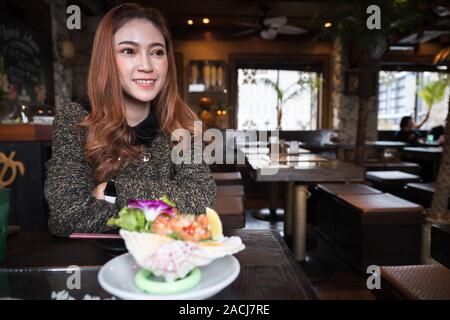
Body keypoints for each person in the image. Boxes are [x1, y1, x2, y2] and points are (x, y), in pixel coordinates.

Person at [44, 4, 216, 237]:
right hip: (95, 265)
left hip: (165, 265)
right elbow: (68, 215)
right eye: (128, 51)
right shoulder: (75, 119)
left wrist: (112, 190)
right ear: (106, 59)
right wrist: (167, 205)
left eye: (157, 52)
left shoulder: (184, 122)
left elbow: (201, 201)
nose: (146, 66)